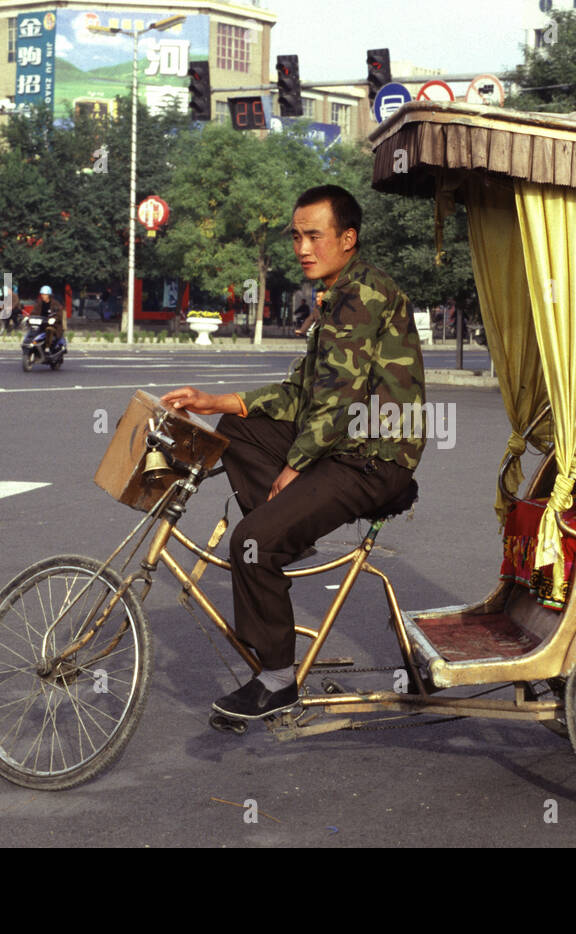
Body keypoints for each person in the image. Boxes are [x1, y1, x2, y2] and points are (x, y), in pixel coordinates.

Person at [161, 185, 426, 721]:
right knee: (237, 426)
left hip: (374, 458)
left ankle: (278, 679)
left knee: (252, 541)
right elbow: (299, 392)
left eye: (314, 236)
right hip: (345, 445)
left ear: (347, 239)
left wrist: (293, 467)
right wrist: (217, 400)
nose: (302, 248)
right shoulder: (335, 295)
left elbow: (337, 399)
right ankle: (287, 535)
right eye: (297, 237)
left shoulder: (362, 295)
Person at [36, 285, 63, 352]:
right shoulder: (39, 303)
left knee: (49, 329)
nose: (43, 296)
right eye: (42, 294)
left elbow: (59, 314)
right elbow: (34, 312)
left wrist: (54, 319)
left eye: (45, 294)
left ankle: (47, 347)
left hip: (53, 326)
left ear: (49, 295)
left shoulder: (55, 304)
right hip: (41, 324)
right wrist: (29, 317)